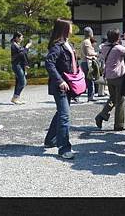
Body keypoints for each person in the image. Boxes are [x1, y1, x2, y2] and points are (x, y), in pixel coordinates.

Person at [44, 18, 78, 159]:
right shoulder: (57, 45)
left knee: (61, 113)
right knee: (64, 115)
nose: (71, 28)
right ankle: (64, 148)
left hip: (68, 84)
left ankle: (50, 140)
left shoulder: (66, 44)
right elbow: (49, 63)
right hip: (61, 86)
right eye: (70, 26)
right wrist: (59, 80)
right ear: (64, 28)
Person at [95, 29, 125, 131]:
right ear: (117, 38)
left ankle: (102, 115)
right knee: (120, 101)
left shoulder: (104, 47)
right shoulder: (118, 48)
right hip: (118, 77)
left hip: (109, 76)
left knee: (113, 98)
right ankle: (119, 124)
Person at [10, 31, 32, 105]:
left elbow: (23, 53)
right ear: (17, 38)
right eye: (21, 37)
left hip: (20, 65)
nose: (22, 39)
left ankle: (16, 98)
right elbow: (22, 53)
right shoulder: (14, 45)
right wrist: (27, 47)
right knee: (23, 82)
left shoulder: (17, 44)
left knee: (18, 82)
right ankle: (15, 97)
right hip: (17, 65)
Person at [80, 27, 98, 102]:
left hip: (84, 62)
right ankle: (90, 96)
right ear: (90, 33)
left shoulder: (84, 41)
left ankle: (89, 95)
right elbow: (89, 53)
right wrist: (96, 54)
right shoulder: (87, 42)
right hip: (87, 62)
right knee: (90, 80)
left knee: (88, 80)